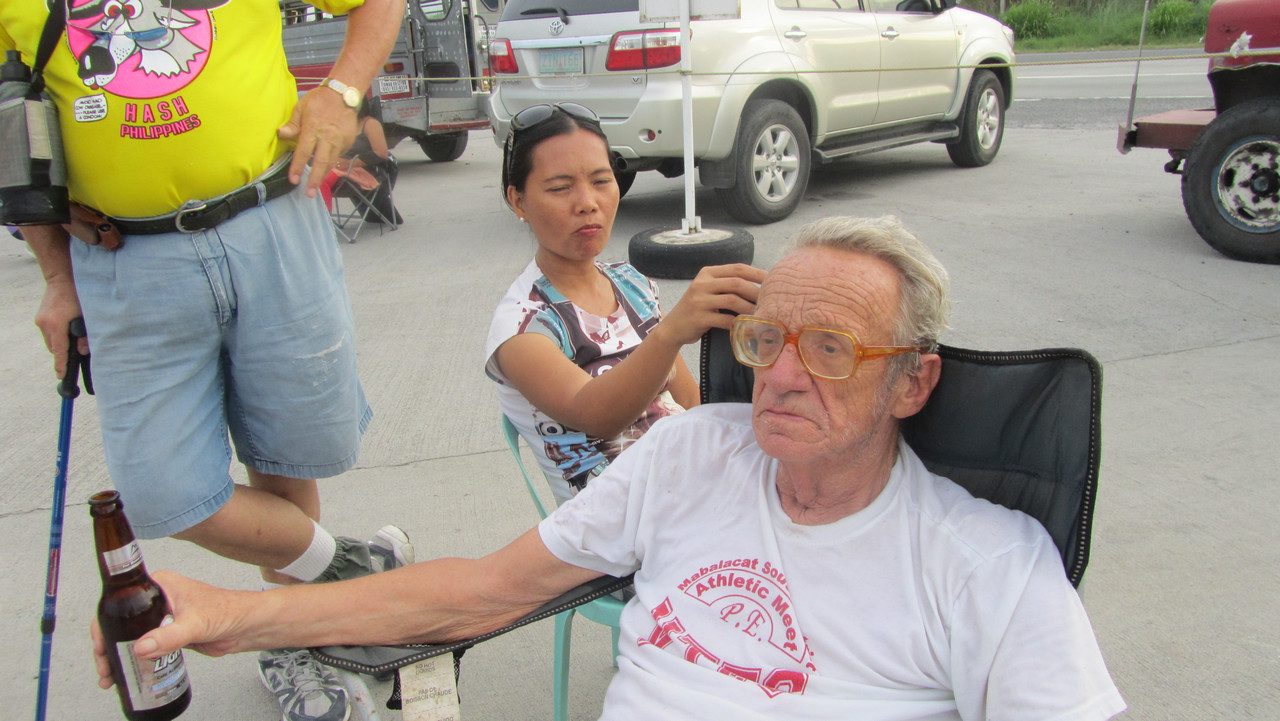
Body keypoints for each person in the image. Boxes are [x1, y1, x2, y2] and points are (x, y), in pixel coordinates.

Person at [98, 216, 1127, 720]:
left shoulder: (986, 563)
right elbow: (478, 590)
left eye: (829, 349)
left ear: (911, 380)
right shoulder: (690, 451)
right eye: (766, 340)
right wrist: (230, 615)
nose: (777, 376)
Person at [0, 0, 408, 719]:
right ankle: (348, 570)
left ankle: (297, 636)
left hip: (271, 217)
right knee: (160, 492)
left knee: (285, 458)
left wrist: (343, 92)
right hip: (124, 257)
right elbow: (11, 120)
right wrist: (57, 277)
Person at [486, 102, 764, 503]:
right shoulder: (522, 327)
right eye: (560, 188)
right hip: (619, 521)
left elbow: (691, 403)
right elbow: (596, 415)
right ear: (519, 201)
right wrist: (670, 333)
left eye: (601, 181)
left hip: (692, 484)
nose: (587, 202)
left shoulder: (631, 283)